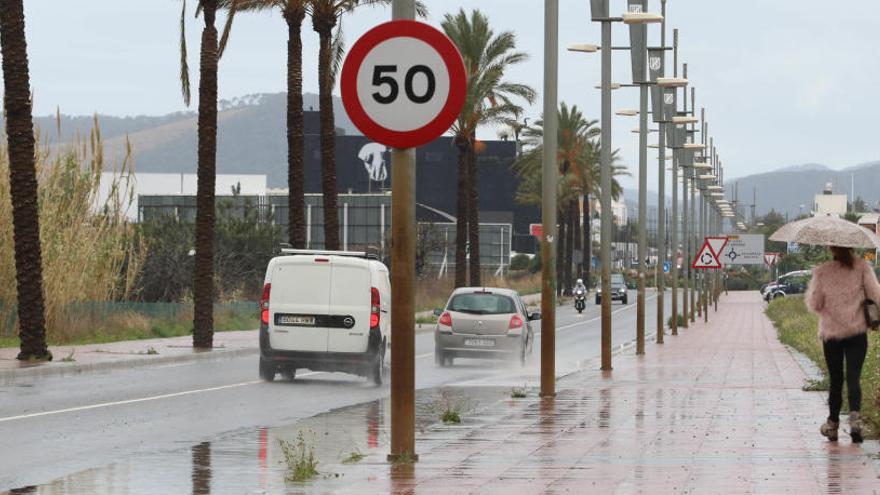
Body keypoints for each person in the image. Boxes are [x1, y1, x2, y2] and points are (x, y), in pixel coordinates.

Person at [805, 246, 880, 443]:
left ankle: (832, 425)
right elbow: (875, 296)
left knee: (835, 380)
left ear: (832, 248)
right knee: (853, 377)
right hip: (857, 332)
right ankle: (855, 421)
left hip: (832, 334)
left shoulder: (822, 271)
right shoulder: (863, 268)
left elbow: (815, 304)